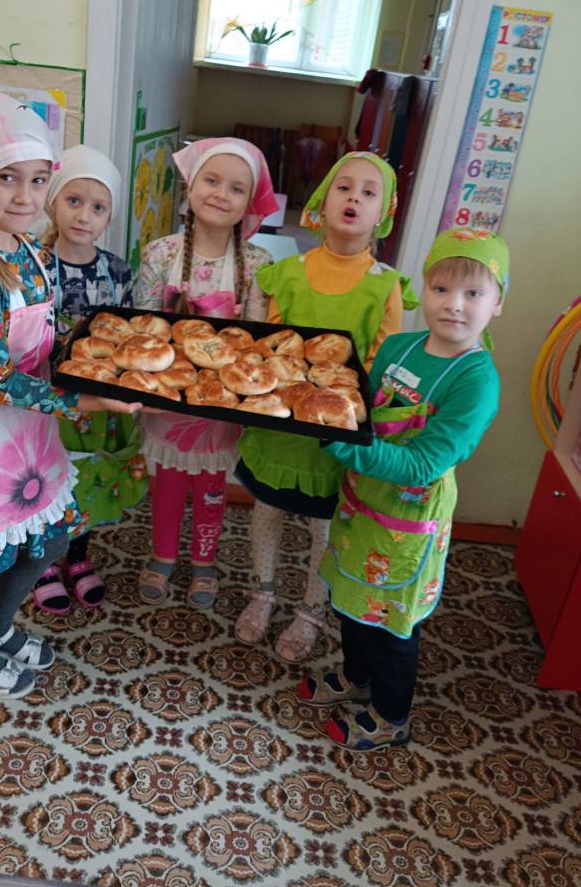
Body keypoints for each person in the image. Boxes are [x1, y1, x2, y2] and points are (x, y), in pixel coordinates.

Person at [0, 89, 138, 700]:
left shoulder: (28, 251)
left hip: (30, 428)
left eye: (38, 180)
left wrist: (101, 365)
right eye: (6, 178)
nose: (25, 196)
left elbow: (46, 337)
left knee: (51, 539)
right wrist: (82, 402)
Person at [297, 228, 509, 750]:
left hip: (407, 522)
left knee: (391, 623)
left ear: (498, 303)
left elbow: (422, 464)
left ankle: (392, 713)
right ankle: (355, 677)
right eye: (441, 289)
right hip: (361, 504)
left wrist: (342, 443)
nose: (453, 305)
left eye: (473, 293)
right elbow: (361, 408)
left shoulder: (476, 381)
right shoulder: (398, 347)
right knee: (350, 598)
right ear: (424, 291)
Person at [233, 152, 418, 662]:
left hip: (336, 434)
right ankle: (263, 592)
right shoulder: (286, 273)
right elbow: (266, 345)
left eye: (368, 192)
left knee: (326, 528)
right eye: (344, 187)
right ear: (322, 201)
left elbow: (380, 362)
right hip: (278, 426)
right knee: (267, 511)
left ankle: (312, 611)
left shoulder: (385, 285)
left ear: (383, 214)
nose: (354, 197)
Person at [133, 137, 278, 609]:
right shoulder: (160, 254)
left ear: (249, 202)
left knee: (213, 486)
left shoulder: (258, 264)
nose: (221, 194)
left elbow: (254, 344)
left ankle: (204, 561)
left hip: (222, 402)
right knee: (169, 480)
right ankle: (162, 554)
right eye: (211, 181)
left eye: (236, 188)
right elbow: (143, 326)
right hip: (168, 396)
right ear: (190, 187)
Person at [31, 144, 148, 616]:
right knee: (47, 478)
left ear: (108, 217)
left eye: (98, 207)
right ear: (53, 203)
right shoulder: (33, 263)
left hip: (99, 401)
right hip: (47, 397)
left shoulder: (117, 271)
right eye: (74, 201)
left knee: (87, 479)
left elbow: (129, 337)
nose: (84, 215)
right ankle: (41, 562)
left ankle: (77, 556)